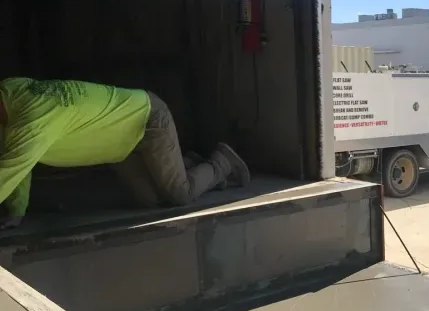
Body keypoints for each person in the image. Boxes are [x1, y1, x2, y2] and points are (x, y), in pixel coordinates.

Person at [0, 77, 250, 230]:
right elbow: (17, 160)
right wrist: (17, 211)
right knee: (151, 202)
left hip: (146, 119)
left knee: (179, 194)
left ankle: (222, 161)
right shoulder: (11, 91)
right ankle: (185, 166)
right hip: (123, 147)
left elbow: (10, 168)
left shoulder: (32, 120)